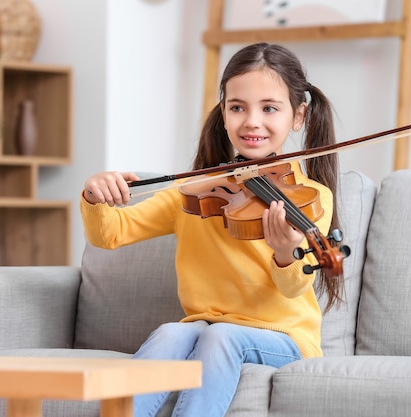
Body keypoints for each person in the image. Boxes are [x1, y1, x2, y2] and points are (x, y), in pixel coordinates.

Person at [80, 42, 344, 417]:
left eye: (269, 108)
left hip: (284, 337)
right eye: (238, 107)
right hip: (203, 326)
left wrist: (287, 253)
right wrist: (95, 195)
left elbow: (294, 287)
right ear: (224, 113)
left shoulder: (309, 197)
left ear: (298, 116)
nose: (252, 121)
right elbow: (110, 234)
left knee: (221, 334)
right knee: (172, 331)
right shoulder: (196, 191)